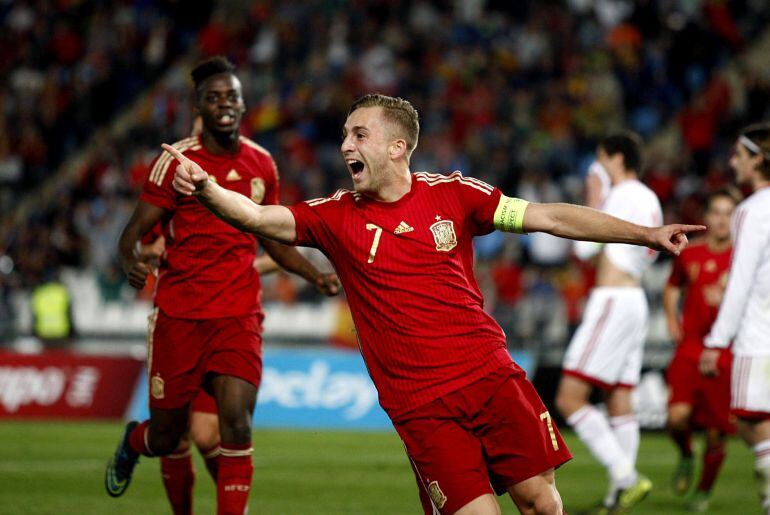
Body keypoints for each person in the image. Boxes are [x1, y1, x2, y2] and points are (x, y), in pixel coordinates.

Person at [167, 93, 703, 515]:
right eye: (344, 136)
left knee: (543, 503)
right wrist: (208, 189)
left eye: (360, 134)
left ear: (397, 147)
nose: (345, 146)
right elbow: (259, 218)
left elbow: (551, 217)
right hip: (422, 406)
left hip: (492, 378)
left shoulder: (455, 194)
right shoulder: (334, 216)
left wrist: (646, 235)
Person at [105, 56, 339, 515]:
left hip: (238, 317)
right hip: (180, 318)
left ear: (243, 102)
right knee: (168, 436)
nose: (224, 105)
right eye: (214, 98)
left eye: (231, 96)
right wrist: (131, 261)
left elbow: (274, 235)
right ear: (199, 106)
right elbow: (130, 237)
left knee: (237, 425)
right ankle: (136, 439)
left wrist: (315, 273)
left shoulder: (262, 164)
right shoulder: (177, 163)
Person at [555, 132, 663, 512]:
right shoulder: (649, 197)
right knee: (620, 399)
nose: (596, 167)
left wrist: (593, 197)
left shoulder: (617, 195)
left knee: (569, 398)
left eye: (600, 158)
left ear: (616, 159)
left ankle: (626, 476)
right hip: (636, 300)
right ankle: (623, 492)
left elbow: (584, 249)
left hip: (613, 298)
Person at [700, 123, 770, 515]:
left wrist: (716, 340)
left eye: (738, 155)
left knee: (751, 421)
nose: (732, 163)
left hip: (759, 334)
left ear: (757, 159)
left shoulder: (751, 210)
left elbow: (740, 280)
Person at [663, 187, 740, 511]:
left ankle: (703, 491)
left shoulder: (745, 258)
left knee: (715, 433)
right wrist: (671, 319)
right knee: (675, 418)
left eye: (728, 213)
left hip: (725, 352)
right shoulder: (691, 254)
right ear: (707, 217)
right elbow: (672, 286)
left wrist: (729, 302)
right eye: (717, 212)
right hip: (690, 348)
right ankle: (685, 453)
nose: (722, 220)